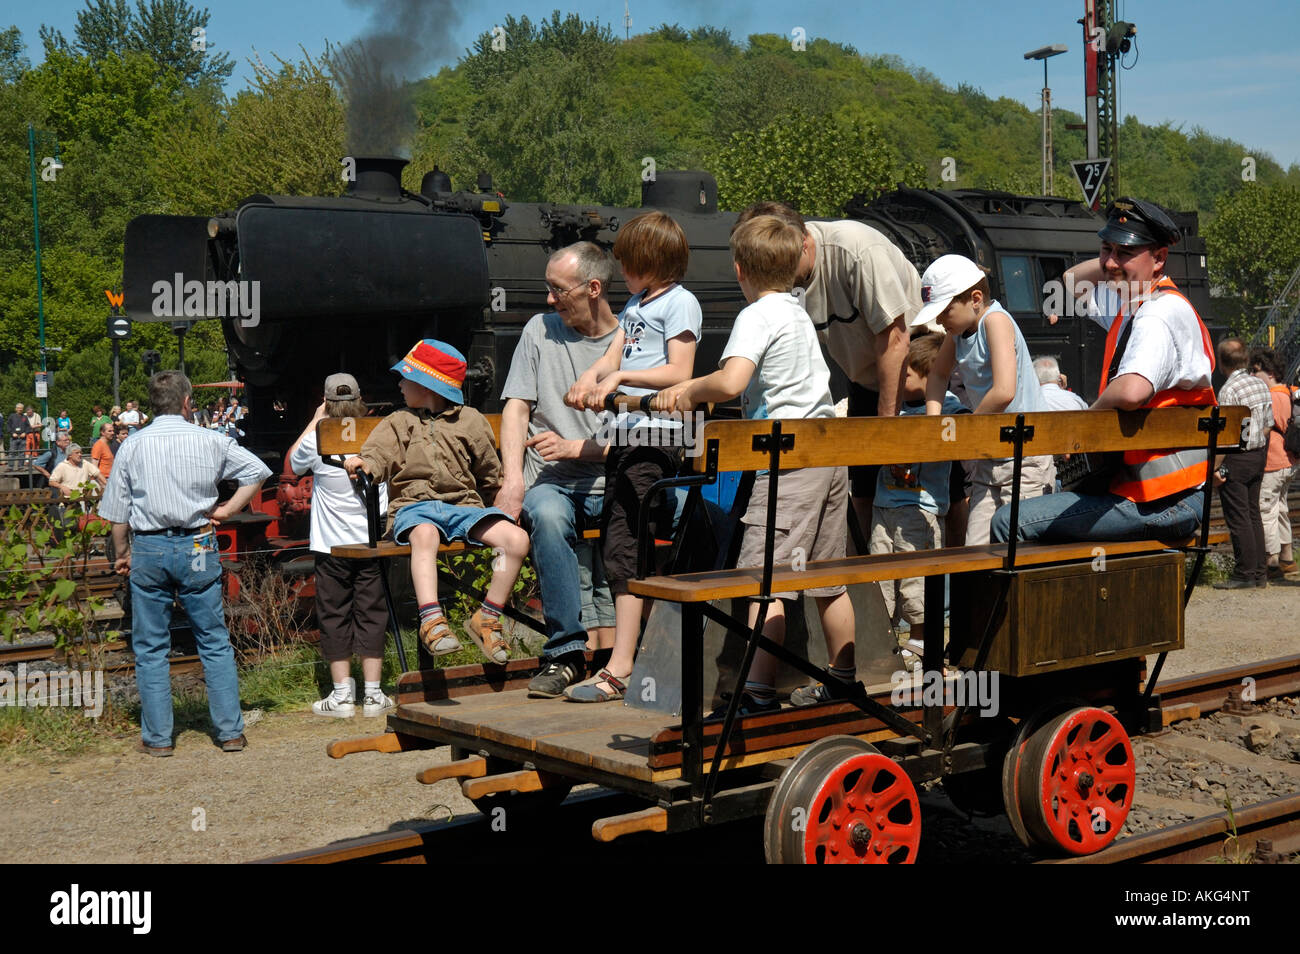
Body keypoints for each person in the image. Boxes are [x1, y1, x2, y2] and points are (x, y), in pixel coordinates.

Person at [654, 213, 855, 713]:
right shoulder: (797, 311)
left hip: (789, 461)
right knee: (827, 576)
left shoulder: (757, 315)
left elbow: (731, 383)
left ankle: (758, 690)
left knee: (762, 578)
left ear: (740, 269)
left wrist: (685, 389)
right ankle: (843, 677)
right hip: (828, 453)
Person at [990, 197, 1215, 545]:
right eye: (1106, 249)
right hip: (1151, 492)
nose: (1110, 261)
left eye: (1125, 252)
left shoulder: (1157, 314)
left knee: (1009, 521)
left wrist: (1086, 425)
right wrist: (1114, 266)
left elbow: (1131, 391)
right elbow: (1071, 280)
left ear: (1159, 258)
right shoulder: (1134, 306)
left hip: (1163, 498)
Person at [564, 211, 701, 703]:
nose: (622, 271)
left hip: (657, 439)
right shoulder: (638, 303)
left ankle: (624, 666)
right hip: (626, 437)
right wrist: (590, 377)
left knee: (628, 544)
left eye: (628, 264)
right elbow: (613, 354)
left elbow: (679, 371)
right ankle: (635, 660)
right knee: (622, 547)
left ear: (654, 262)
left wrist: (619, 381)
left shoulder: (681, 304)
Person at [99, 371, 271, 756]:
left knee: (150, 646)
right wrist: (227, 509)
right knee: (213, 640)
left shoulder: (132, 445)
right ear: (187, 402)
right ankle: (229, 732)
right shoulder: (210, 439)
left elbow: (117, 513)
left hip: (149, 547)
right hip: (197, 543)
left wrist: (123, 552)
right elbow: (257, 472)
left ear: (151, 405)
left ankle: (158, 739)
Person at [733, 202, 923, 535]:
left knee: (924, 493)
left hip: (915, 372)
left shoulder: (857, 251)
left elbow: (895, 340)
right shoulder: (788, 276)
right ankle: (860, 571)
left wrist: (887, 428)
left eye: (783, 260)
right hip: (863, 377)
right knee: (861, 485)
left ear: (804, 242)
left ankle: (953, 577)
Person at [345, 340, 530, 666]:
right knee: (425, 534)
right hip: (415, 507)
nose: (400, 384)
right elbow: (378, 455)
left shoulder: (470, 421)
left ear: (428, 385)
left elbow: (489, 471)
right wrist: (365, 466)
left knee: (515, 541)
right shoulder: (397, 422)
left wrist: (499, 501)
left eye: (406, 378)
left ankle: (487, 616)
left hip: (464, 507)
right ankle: (431, 618)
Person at [496, 242, 622, 698]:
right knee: (545, 515)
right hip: (553, 483)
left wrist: (578, 448)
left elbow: (661, 435)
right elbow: (515, 407)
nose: (549, 299)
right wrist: (513, 479)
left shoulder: (632, 339)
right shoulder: (539, 330)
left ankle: (634, 654)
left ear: (593, 288)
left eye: (557, 289)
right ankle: (566, 652)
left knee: (690, 509)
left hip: (615, 478)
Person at [914, 254, 1055, 545]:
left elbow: (1004, 391)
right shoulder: (956, 335)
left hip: (1025, 456)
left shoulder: (996, 321)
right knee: (976, 549)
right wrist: (933, 421)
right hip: (990, 457)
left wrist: (968, 430)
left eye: (944, 310)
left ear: (975, 299)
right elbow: (938, 376)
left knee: (1018, 548)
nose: (939, 320)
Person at [289, 373, 393, 717]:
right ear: (361, 400)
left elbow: (292, 463)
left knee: (334, 615)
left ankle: (342, 696)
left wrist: (317, 419)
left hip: (331, 545)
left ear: (327, 402)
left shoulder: (319, 439)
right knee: (372, 613)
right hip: (370, 541)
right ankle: (375, 694)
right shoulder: (379, 435)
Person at [869, 334, 965, 672]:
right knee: (880, 574)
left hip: (921, 508)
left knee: (917, 580)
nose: (898, 380)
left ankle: (923, 642)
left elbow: (966, 427)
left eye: (905, 374)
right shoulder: (893, 407)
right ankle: (887, 641)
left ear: (929, 373)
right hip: (885, 506)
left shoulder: (949, 406)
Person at [1211, 338, 1273, 588]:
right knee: (1253, 513)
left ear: (1221, 363)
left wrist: (1214, 467)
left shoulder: (1229, 390)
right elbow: (1268, 424)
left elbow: (1227, 436)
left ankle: (1244, 574)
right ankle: (1259, 572)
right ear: (1246, 359)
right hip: (1258, 454)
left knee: (1238, 516)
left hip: (1237, 456)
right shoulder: (1260, 384)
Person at [1250, 349, 1296, 578]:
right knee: (1280, 509)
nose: (1252, 374)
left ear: (1269, 372)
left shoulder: (1272, 397)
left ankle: (1272, 561)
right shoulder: (1290, 392)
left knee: (1265, 509)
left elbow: (1264, 428)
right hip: (1290, 462)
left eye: (1255, 371)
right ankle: (1287, 556)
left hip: (1274, 462)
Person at [8, 402, 29, 470]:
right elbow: (8, 426)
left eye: (21, 408)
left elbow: (28, 427)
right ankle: (10, 467)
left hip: (23, 438)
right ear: (16, 409)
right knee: (12, 453)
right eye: (18, 408)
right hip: (14, 438)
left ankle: (20, 467)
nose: (20, 409)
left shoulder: (25, 417)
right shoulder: (12, 416)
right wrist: (12, 433)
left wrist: (25, 433)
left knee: (22, 453)